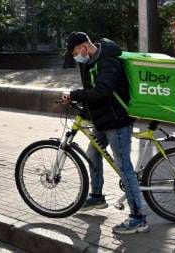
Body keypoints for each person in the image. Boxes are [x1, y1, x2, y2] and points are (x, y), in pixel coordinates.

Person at [61, 32, 149, 234]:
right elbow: (93, 91)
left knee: (124, 167)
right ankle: (97, 197)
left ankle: (138, 218)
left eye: (75, 52)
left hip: (117, 121)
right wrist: (83, 108)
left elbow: (103, 90)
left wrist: (74, 94)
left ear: (84, 47)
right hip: (103, 119)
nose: (76, 57)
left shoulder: (107, 60)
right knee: (93, 152)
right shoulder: (90, 61)